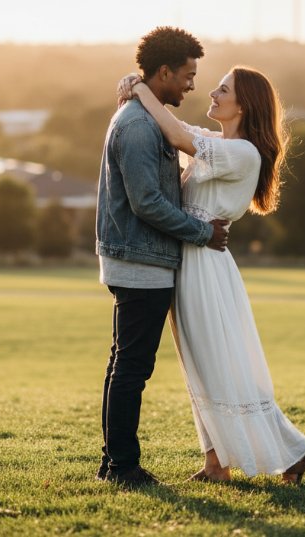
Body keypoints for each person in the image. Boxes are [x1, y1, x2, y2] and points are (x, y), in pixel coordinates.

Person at [116, 65, 305, 484]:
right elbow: (178, 127)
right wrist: (135, 91)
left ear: (243, 105)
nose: (212, 92)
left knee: (215, 363)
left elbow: (176, 135)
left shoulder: (243, 153)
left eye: (222, 89)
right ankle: (215, 463)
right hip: (190, 258)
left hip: (205, 265)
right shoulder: (220, 143)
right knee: (198, 365)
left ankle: (293, 449)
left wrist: (139, 87)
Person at [95, 27, 230, 488]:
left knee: (125, 363)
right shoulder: (136, 126)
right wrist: (202, 233)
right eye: (188, 75)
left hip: (142, 259)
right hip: (139, 262)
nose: (192, 85)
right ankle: (123, 468)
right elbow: (146, 203)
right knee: (132, 366)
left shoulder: (146, 118)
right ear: (164, 72)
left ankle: (113, 461)